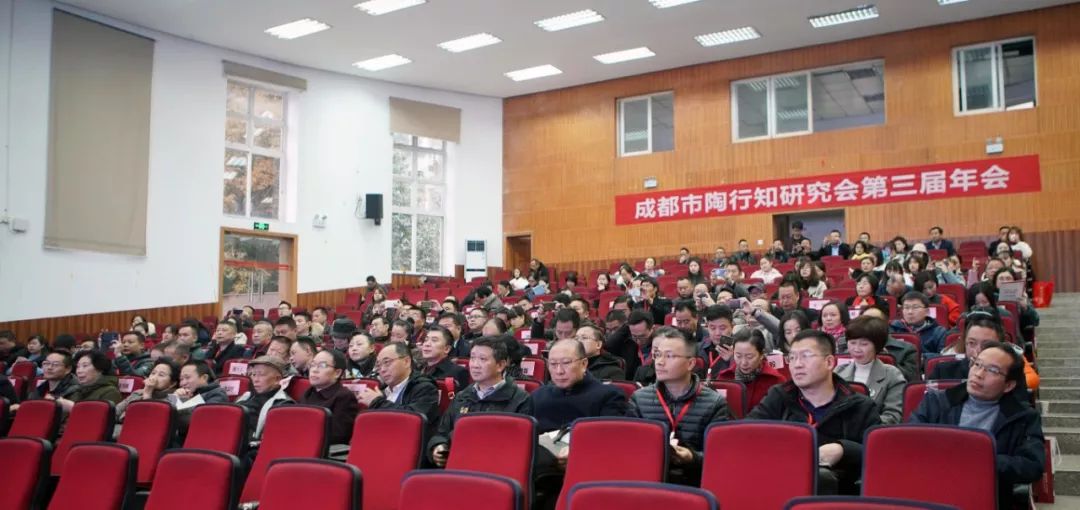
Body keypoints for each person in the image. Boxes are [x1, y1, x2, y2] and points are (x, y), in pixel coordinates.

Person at [910, 342, 1045, 509]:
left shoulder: (1022, 417)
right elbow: (910, 446)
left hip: (987, 497)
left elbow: (1032, 466)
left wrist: (981, 460)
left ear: (1009, 385)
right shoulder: (936, 402)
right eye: (977, 364)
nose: (978, 374)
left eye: (992, 370)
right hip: (931, 492)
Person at [748, 330, 881, 495]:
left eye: (806, 356)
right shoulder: (779, 396)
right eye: (792, 357)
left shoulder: (860, 406)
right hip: (779, 487)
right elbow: (748, 436)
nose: (797, 364)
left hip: (837, 497)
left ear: (829, 362)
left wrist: (844, 450)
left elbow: (880, 458)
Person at [627, 326, 732, 485]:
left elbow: (720, 458)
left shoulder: (714, 403)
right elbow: (630, 449)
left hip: (694, 484)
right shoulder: (639, 399)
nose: (660, 362)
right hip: (648, 482)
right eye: (657, 355)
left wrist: (692, 457)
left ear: (690, 363)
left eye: (669, 356)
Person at [429, 336, 533, 467]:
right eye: (472, 358)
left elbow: (519, 448)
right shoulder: (462, 396)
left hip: (496, 469)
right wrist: (439, 446)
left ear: (500, 365)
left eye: (482, 359)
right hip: (457, 466)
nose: (475, 365)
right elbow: (442, 432)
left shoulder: (520, 400)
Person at [928, 312, 1038, 391]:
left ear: (1000, 346)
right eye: (971, 343)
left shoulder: (1010, 375)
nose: (978, 350)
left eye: (987, 345)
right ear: (964, 344)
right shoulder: (942, 371)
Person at [833, 316, 905, 424]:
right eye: (852, 343)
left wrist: (858, 424)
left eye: (864, 344)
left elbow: (892, 417)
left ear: (877, 345)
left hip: (873, 433)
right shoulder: (838, 372)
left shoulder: (892, 375)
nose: (856, 349)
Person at [356, 342, 441, 429]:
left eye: (387, 362)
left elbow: (413, 421)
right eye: (379, 365)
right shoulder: (382, 390)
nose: (382, 369)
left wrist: (377, 402)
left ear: (406, 362)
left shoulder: (425, 388)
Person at [715, 328, 786, 410]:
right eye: (738, 356)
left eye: (749, 357)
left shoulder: (776, 381)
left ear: (762, 354)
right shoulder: (724, 378)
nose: (743, 362)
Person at [301, 349, 360, 445]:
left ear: (337, 373)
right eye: (313, 364)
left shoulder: (344, 397)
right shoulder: (308, 392)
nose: (314, 370)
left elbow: (339, 435)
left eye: (322, 365)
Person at [236, 355, 294, 441]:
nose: (255, 379)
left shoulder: (283, 405)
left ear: (277, 379)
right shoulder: (246, 396)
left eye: (260, 374)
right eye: (253, 374)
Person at [55, 350, 123, 412]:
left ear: (100, 369)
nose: (79, 371)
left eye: (85, 366)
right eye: (78, 367)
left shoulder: (111, 392)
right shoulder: (77, 390)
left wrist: (73, 408)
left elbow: (101, 420)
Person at [170, 360, 229, 430]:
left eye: (187, 377)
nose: (183, 383)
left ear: (204, 378)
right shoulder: (188, 393)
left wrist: (177, 401)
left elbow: (199, 422)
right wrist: (175, 398)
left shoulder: (217, 394)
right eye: (181, 379)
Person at [419, 325, 470, 390]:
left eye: (434, 340)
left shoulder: (457, 372)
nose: (427, 344)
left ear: (447, 349)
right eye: (426, 340)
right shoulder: (417, 369)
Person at [700, 305, 735, 379]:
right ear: (707, 327)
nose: (717, 333)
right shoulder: (699, 348)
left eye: (722, 328)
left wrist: (732, 360)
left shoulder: (741, 349)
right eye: (712, 328)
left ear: (732, 327)